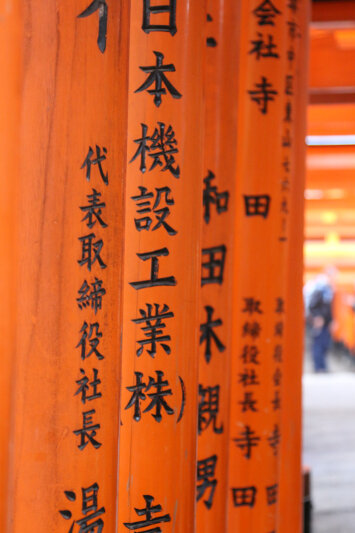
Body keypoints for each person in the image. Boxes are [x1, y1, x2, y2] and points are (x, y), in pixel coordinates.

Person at [308, 280, 333, 372]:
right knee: (318, 345)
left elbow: (329, 310)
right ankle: (318, 366)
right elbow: (312, 306)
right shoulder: (319, 292)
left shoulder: (328, 293)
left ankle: (323, 366)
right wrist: (318, 317)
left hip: (326, 324)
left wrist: (330, 321)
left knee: (325, 344)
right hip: (319, 324)